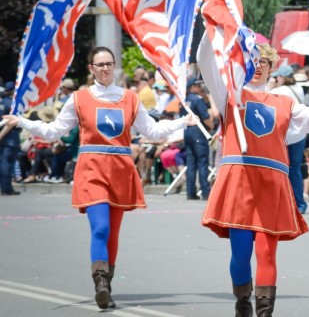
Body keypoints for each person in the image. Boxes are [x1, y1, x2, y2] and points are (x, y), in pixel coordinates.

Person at [2, 46, 199, 309]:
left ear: (114, 66)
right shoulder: (79, 98)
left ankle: (108, 282)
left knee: (113, 233)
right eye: (100, 64)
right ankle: (101, 284)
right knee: (101, 227)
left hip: (120, 170)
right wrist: (23, 121)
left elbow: (151, 130)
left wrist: (181, 122)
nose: (106, 68)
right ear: (91, 69)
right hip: (92, 169)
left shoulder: (129, 98)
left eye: (109, 63)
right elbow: (54, 131)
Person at [197, 37, 309, 317]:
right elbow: (204, 60)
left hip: (271, 184)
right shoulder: (230, 94)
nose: (258, 66)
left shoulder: (284, 102)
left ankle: (264, 313)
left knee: (266, 252)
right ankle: (242, 301)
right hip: (239, 181)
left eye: (264, 61)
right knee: (240, 255)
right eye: (252, 61)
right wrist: (208, 26)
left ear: (272, 66)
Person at [270, 64, 309, 213]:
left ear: (281, 77)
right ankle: (299, 204)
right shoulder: (298, 89)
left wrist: (271, 85)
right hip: (299, 134)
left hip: (283, 135)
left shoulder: (278, 91)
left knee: (279, 169)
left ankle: (281, 202)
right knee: (296, 170)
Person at [181, 77, 214, 200]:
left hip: (187, 132)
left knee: (191, 163)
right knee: (202, 162)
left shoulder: (183, 101)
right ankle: (205, 192)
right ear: (193, 87)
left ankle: (191, 192)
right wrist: (210, 127)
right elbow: (206, 118)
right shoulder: (197, 100)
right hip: (199, 133)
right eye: (198, 86)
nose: (200, 88)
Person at [1, 81, 21, 195]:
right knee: (7, 163)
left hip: (5, 139)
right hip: (10, 138)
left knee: (3, 162)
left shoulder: (2, 102)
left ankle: (4, 187)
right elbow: (10, 123)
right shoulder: (12, 105)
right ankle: (7, 188)